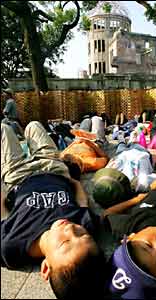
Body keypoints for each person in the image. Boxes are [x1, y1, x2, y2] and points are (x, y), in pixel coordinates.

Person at [1, 121, 106, 299]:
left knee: (3, 128)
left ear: (45, 267)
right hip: (54, 168)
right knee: (34, 125)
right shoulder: (85, 224)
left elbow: (3, 215)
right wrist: (75, 183)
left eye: (65, 242)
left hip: (18, 175)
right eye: (82, 234)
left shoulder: (12, 246)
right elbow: (82, 201)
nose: (71, 229)